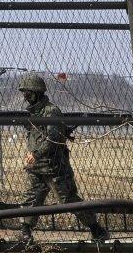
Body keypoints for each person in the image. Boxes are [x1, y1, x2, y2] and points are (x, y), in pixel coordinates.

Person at [18, 73, 109, 244]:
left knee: (68, 200)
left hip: (55, 167)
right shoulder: (31, 113)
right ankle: (25, 232)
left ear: (37, 93)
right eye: (24, 94)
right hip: (37, 167)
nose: (26, 97)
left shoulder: (51, 111)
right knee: (30, 200)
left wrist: (36, 153)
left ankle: (96, 229)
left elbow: (53, 138)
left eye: (28, 93)